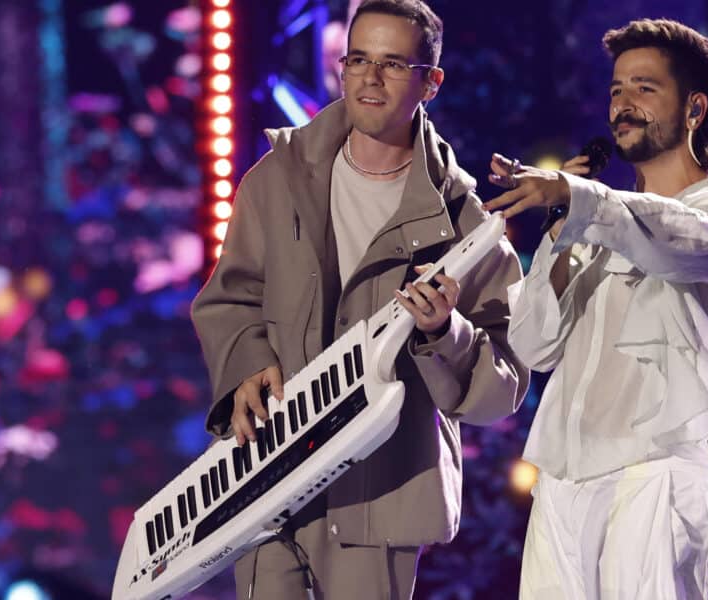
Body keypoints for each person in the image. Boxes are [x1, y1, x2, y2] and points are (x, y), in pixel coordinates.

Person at [191, 1, 528, 598]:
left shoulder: (465, 225)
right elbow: (230, 300)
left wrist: (444, 334)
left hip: (384, 496)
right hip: (271, 480)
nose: (370, 78)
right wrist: (246, 365)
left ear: (432, 82)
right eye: (359, 59)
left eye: (393, 63)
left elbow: (503, 384)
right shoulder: (275, 180)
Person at [484, 18, 708, 599]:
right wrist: (561, 234)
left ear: (695, 109)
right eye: (616, 89)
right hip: (563, 478)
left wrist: (578, 197)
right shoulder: (591, 219)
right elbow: (535, 345)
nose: (623, 103)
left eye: (645, 88)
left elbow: (674, 240)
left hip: (656, 475)